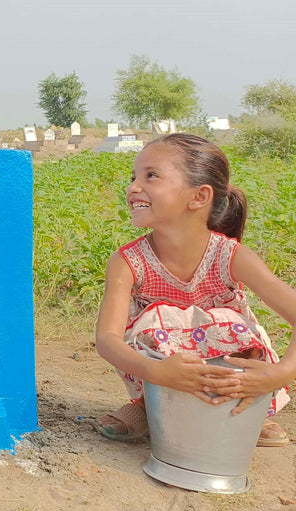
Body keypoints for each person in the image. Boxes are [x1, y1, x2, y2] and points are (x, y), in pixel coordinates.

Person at [94, 133, 295, 446]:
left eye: (151, 176)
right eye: (134, 176)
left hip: (230, 379)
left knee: (230, 320)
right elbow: (107, 339)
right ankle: (148, 407)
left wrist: (282, 373)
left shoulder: (231, 256)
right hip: (160, 376)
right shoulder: (128, 261)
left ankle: (244, 412)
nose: (133, 187)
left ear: (199, 197)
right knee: (158, 316)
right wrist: (154, 372)